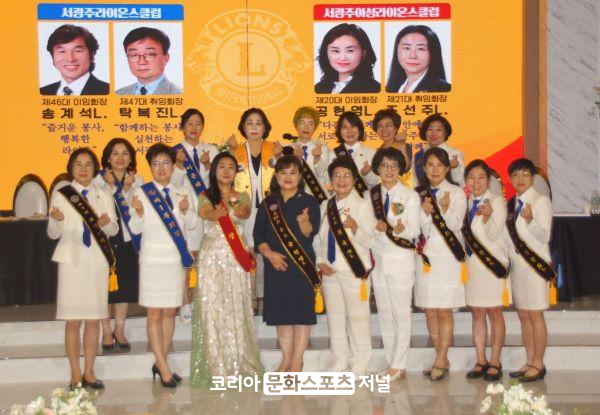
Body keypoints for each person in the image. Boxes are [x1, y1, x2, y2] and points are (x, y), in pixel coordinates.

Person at [190, 152, 263, 387]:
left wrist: (240, 210)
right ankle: (217, 367)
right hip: (212, 258)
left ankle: (239, 362)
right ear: (214, 170)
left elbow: (245, 211)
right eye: (222, 166)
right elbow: (205, 213)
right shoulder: (205, 196)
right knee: (213, 309)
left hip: (235, 258)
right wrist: (216, 213)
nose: (226, 171)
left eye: (231, 167)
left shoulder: (241, 195)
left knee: (236, 306)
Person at [47, 147, 118, 389]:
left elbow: (114, 230)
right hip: (72, 262)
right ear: (71, 168)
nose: (84, 169)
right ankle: (75, 373)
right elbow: (52, 233)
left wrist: (106, 224)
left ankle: (89, 371)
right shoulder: (62, 193)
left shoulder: (103, 193)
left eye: (88, 164)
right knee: (73, 322)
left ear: (95, 168)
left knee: (93, 321)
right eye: (79, 164)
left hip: (96, 262)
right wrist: (56, 220)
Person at [129, 143, 198, 387]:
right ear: (150, 167)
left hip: (174, 260)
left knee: (169, 313)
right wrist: (138, 213)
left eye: (166, 163)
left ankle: (161, 362)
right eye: (156, 164)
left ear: (172, 165)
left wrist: (186, 211)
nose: (161, 168)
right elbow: (135, 228)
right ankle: (163, 366)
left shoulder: (182, 192)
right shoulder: (142, 192)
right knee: (154, 314)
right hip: (152, 260)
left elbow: (191, 224)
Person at [253, 155, 321, 372]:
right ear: (277, 176)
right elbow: (258, 235)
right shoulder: (269, 203)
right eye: (283, 173)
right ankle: (286, 358)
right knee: (282, 316)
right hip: (276, 267)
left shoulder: (309, 201)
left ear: (300, 176)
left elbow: (310, 233)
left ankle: (297, 361)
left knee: (301, 315)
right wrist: (269, 254)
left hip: (301, 267)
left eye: (293, 173)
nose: (288, 177)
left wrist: (304, 222)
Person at [314, 157, 376, 376]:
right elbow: (318, 240)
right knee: (335, 319)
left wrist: (356, 228)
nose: (342, 180)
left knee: (358, 318)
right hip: (330, 271)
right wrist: (320, 261)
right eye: (337, 176)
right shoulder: (325, 205)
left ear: (354, 179)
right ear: (331, 181)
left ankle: (360, 365)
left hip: (354, 270)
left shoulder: (363, 205)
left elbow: (371, 241)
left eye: (347, 175)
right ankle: (339, 362)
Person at [415, 147, 467, 381]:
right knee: (429, 310)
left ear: (447, 168)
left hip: (447, 258)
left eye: (439, 165)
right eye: (430, 165)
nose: (435, 170)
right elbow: (415, 228)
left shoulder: (456, 193)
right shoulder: (416, 194)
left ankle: (441, 358)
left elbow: (455, 225)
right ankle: (441, 358)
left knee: (444, 310)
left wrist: (443, 208)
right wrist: (425, 213)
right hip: (425, 259)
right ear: (424, 168)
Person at [369, 147, 420, 381]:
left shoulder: (410, 196)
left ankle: (400, 363)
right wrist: (376, 229)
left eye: (394, 165)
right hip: (379, 262)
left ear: (400, 169)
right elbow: (367, 227)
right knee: (385, 313)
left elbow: (414, 230)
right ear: (377, 169)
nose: (389, 170)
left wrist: (400, 229)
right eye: (384, 165)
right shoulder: (370, 195)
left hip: (400, 262)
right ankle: (392, 361)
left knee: (401, 313)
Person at [505, 158, 554, 382]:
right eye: (516, 175)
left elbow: (544, 235)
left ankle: (539, 363)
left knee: (535, 315)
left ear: (533, 178)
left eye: (525, 174)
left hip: (534, 267)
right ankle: (529, 360)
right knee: (524, 315)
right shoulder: (511, 203)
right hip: (517, 268)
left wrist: (531, 220)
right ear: (510, 179)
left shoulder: (540, 201)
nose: (520, 179)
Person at [230, 108, 282, 313]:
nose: (254, 127)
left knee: (272, 250)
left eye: (258, 123)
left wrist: (280, 157)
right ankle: (251, 296)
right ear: (243, 127)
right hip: (245, 210)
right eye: (249, 123)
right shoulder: (234, 151)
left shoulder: (275, 148)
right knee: (249, 252)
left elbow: (287, 178)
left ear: (265, 127)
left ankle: (273, 295)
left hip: (272, 209)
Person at [93, 138, 143, 352]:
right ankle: (106, 330)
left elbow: (137, 211)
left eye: (125, 153)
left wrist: (128, 188)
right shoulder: (98, 181)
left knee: (124, 285)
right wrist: (113, 187)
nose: (120, 158)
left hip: (128, 239)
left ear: (131, 158)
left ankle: (119, 329)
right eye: (115, 153)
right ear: (107, 157)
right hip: (104, 238)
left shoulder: (138, 180)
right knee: (104, 286)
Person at [462, 160, 510, 382]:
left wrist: (489, 217)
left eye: (481, 177)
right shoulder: (464, 203)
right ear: (465, 180)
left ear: (489, 180)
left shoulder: (497, 202)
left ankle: (495, 361)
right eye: (471, 177)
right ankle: (480, 360)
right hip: (472, 268)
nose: (476, 182)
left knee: (494, 313)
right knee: (477, 313)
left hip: (491, 267)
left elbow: (495, 234)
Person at [171, 108, 219, 324]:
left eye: (198, 123)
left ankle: (200, 301)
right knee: (185, 257)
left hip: (206, 211)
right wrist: (179, 164)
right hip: (184, 209)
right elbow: (172, 183)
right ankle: (184, 304)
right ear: (182, 127)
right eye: (189, 123)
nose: (193, 127)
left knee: (203, 257)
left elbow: (217, 181)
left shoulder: (211, 150)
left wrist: (208, 165)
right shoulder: (174, 152)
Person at [40, 24, 109, 95]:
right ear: (53, 56)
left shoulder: (107, 91)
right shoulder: (42, 92)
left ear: (92, 54)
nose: (70, 59)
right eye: (62, 51)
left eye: (77, 51)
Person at [315, 23, 380, 94]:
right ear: (326, 53)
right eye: (336, 51)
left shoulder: (375, 89)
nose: (342, 58)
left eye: (350, 51)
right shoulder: (317, 89)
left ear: (364, 53)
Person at [116, 27, 181, 95]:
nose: (142, 62)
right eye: (134, 55)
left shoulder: (178, 94)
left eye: (150, 54)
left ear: (166, 58)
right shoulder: (118, 94)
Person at [385, 25, 451, 93]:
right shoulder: (391, 88)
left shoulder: (443, 89)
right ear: (397, 51)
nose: (413, 56)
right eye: (407, 48)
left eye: (421, 49)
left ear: (433, 52)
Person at [289, 106, 332, 204]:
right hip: (294, 198)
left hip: (318, 198)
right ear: (296, 125)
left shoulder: (323, 148)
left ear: (315, 127)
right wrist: (297, 159)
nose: (306, 127)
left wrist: (317, 158)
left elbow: (324, 175)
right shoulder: (288, 149)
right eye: (302, 123)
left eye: (311, 124)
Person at [330, 111, 379, 194]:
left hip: (363, 199)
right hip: (340, 200)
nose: (349, 131)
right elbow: (328, 182)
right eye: (345, 127)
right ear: (339, 130)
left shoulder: (371, 153)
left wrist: (366, 174)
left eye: (353, 126)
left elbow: (376, 183)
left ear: (359, 129)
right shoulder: (333, 153)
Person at [413, 113, 464, 187]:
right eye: (430, 129)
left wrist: (455, 168)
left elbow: (461, 183)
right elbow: (416, 184)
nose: (434, 133)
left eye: (438, 130)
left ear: (445, 133)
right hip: (424, 194)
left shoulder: (453, 154)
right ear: (425, 132)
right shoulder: (418, 156)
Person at [372, 108, 412, 187]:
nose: (384, 129)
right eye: (380, 126)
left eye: (388, 125)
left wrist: (401, 144)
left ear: (396, 128)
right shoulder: (375, 152)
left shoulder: (403, 146)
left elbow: (405, 169)